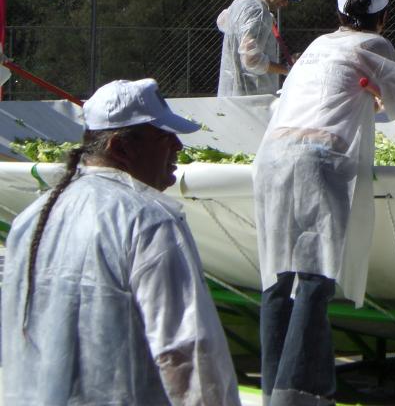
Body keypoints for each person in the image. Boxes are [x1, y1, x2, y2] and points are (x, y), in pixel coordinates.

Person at [1, 78, 242, 405]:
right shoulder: (149, 220)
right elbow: (186, 351)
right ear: (120, 148)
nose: (178, 146)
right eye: (164, 137)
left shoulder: (32, 218)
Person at [254, 0, 395, 406]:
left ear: (339, 12)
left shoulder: (318, 46)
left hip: (272, 155)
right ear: (382, 17)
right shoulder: (375, 45)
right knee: (314, 279)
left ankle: (277, 388)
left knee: (278, 277)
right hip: (320, 158)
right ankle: (296, 397)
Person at [217, 0, 301, 96]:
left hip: (230, 92)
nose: (285, 3)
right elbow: (251, 60)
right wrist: (286, 70)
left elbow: (221, 21)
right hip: (252, 96)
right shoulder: (259, 12)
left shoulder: (240, 2)